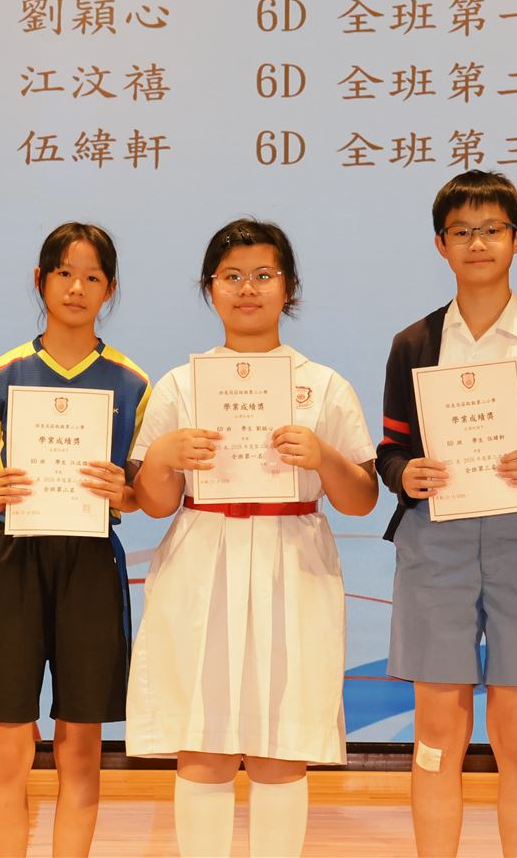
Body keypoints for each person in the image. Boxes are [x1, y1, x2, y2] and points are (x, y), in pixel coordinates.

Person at [126, 218, 379, 858]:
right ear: (209, 288)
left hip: (293, 562)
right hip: (201, 560)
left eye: (263, 275)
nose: (247, 289)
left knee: (281, 744)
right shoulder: (180, 384)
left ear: (288, 288)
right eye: (231, 276)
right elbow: (155, 504)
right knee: (203, 741)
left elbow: (362, 499)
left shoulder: (323, 385)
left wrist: (323, 456)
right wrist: (163, 457)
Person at [376, 170, 517, 857]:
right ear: (440, 244)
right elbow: (390, 451)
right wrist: (404, 474)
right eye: (463, 232)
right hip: (436, 542)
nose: (478, 243)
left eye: (492, 230)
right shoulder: (413, 343)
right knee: (437, 731)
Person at [0, 222, 151, 858]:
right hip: (15, 557)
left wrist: (123, 492)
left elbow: (139, 495)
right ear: (40, 281)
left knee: (80, 743)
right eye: (64, 273)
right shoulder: (1, 373)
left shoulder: (133, 383)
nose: (76, 288)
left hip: (91, 561)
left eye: (92, 277)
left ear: (110, 289)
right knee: (9, 741)